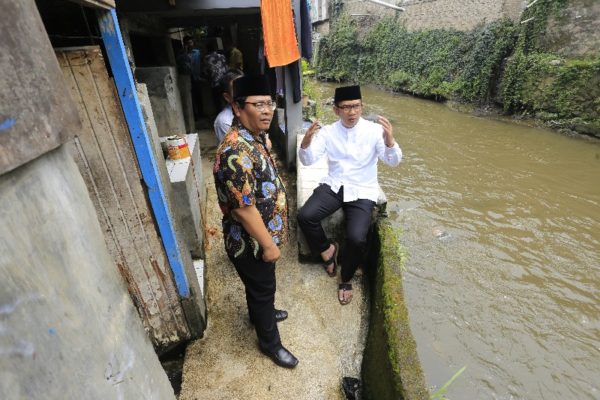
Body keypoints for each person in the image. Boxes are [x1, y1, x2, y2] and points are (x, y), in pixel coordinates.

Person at [213, 75, 298, 368]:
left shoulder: (256, 136)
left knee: (260, 287)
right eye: (257, 104)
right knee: (262, 287)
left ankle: (260, 313)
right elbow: (243, 210)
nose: (266, 110)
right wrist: (269, 246)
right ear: (238, 108)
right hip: (250, 241)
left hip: (262, 235)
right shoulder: (235, 150)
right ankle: (270, 343)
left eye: (269, 103)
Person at [297, 85, 402, 305]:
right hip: (335, 184)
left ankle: (346, 278)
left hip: (362, 189)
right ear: (336, 110)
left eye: (355, 106)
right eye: (345, 107)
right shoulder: (327, 132)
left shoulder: (374, 131)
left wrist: (390, 140)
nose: (351, 112)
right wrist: (306, 143)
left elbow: (393, 161)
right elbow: (307, 160)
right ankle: (327, 250)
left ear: (362, 107)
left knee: (356, 238)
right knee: (306, 215)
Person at [176, 35, 203, 119]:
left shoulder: (197, 52)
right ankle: (194, 115)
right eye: (188, 43)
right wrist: (185, 52)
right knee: (191, 98)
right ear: (184, 44)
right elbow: (179, 63)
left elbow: (201, 63)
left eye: (191, 42)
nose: (190, 44)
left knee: (198, 96)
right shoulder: (181, 54)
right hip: (187, 78)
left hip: (196, 77)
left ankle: (201, 113)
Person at [213, 70, 243, 143]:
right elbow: (235, 149)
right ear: (227, 97)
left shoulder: (252, 107)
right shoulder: (224, 121)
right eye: (237, 89)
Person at [203, 42, 228, 114]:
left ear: (207, 49)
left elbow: (205, 71)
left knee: (217, 101)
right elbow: (226, 68)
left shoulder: (206, 58)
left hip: (214, 83)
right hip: (224, 81)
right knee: (226, 99)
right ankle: (230, 115)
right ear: (215, 48)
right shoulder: (222, 56)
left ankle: (221, 115)